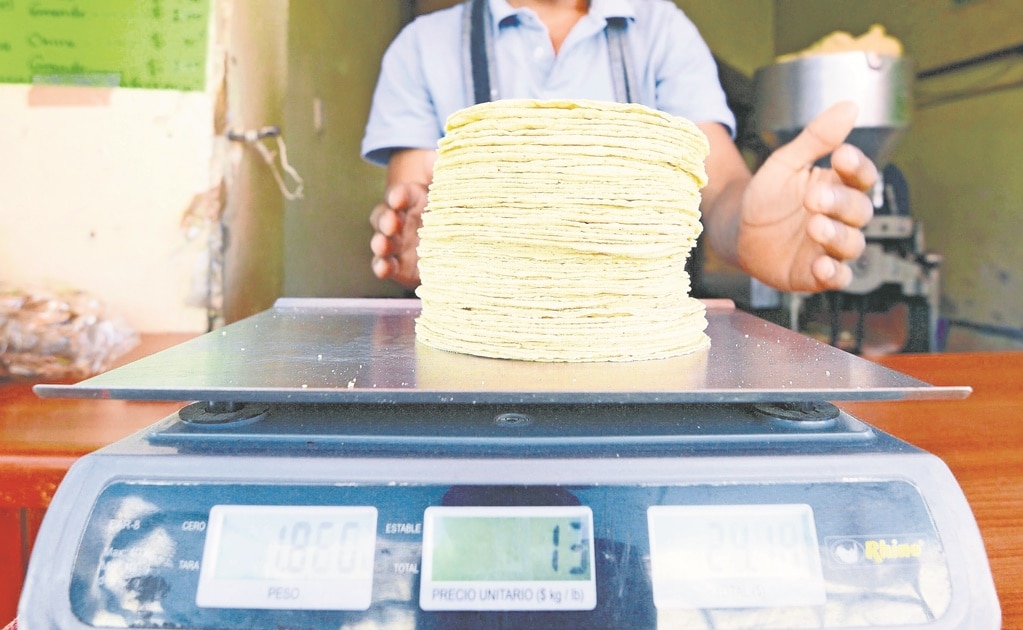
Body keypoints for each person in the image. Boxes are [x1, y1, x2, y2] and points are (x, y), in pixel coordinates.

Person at [362, 0, 876, 295]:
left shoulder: (662, 31)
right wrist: (417, 244)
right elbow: (416, 208)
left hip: (637, 359)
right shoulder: (421, 46)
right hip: (474, 356)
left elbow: (718, 188)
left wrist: (750, 230)